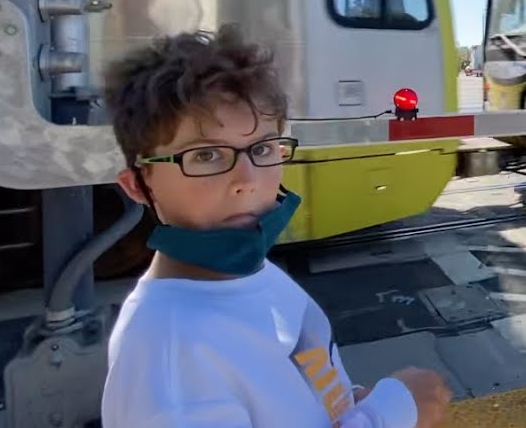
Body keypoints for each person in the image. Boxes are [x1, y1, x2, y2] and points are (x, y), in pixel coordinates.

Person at [99, 24, 452, 427]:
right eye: (206, 155)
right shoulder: (167, 357)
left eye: (263, 148)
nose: (248, 180)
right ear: (139, 185)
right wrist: (392, 414)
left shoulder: (250, 274)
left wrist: (348, 404)